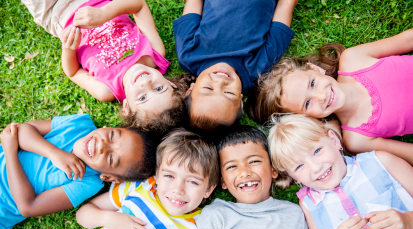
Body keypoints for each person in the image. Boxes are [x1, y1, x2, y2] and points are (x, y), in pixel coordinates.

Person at [8, 128, 219, 229]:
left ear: (209, 189)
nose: (177, 189)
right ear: (157, 173)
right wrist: (109, 219)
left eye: (192, 181)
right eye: (169, 176)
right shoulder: (141, 189)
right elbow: (83, 214)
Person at [268, 114, 413, 229]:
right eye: (299, 166)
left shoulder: (380, 161)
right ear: (294, 177)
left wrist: (408, 221)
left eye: (317, 151)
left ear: (334, 140)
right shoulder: (309, 205)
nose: (315, 168)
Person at [252, 28, 413, 165]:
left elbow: (407, 40)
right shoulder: (356, 138)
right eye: (307, 103)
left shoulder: (353, 59)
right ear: (307, 118)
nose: (321, 97)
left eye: (312, 84)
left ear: (315, 69)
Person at [22, 0, 187, 133]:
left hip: (58, 15)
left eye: (142, 98)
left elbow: (72, 72)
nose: (146, 84)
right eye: (159, 89)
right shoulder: (155, 53)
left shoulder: (106, 90)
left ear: (127, 108)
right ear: (172, 84)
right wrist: (104, 13)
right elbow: (139, 5)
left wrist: (68, 49)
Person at [195, 125, 321, 229]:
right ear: (223, 182)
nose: (244, 172)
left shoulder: (294, 215)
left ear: (273, 170)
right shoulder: (216, 215)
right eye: (232, 166)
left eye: (254, 161)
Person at [0, 114, 157, 229]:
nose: (102, 145)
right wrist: (53, 152)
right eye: (111, 135)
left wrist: (10, 151)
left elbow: (28, 206)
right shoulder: (80, 124)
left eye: (110, 158)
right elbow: (23, 130)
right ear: (106, 128)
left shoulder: (87, 182)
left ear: (108, 177)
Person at [173, 0, 297, 131]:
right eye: (229, 93)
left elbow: (194, 4)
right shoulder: (259, 69)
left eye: (208, 88)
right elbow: (285, 8)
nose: (220, 82)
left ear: (190, 90)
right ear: (240, 102)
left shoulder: (188, 55)